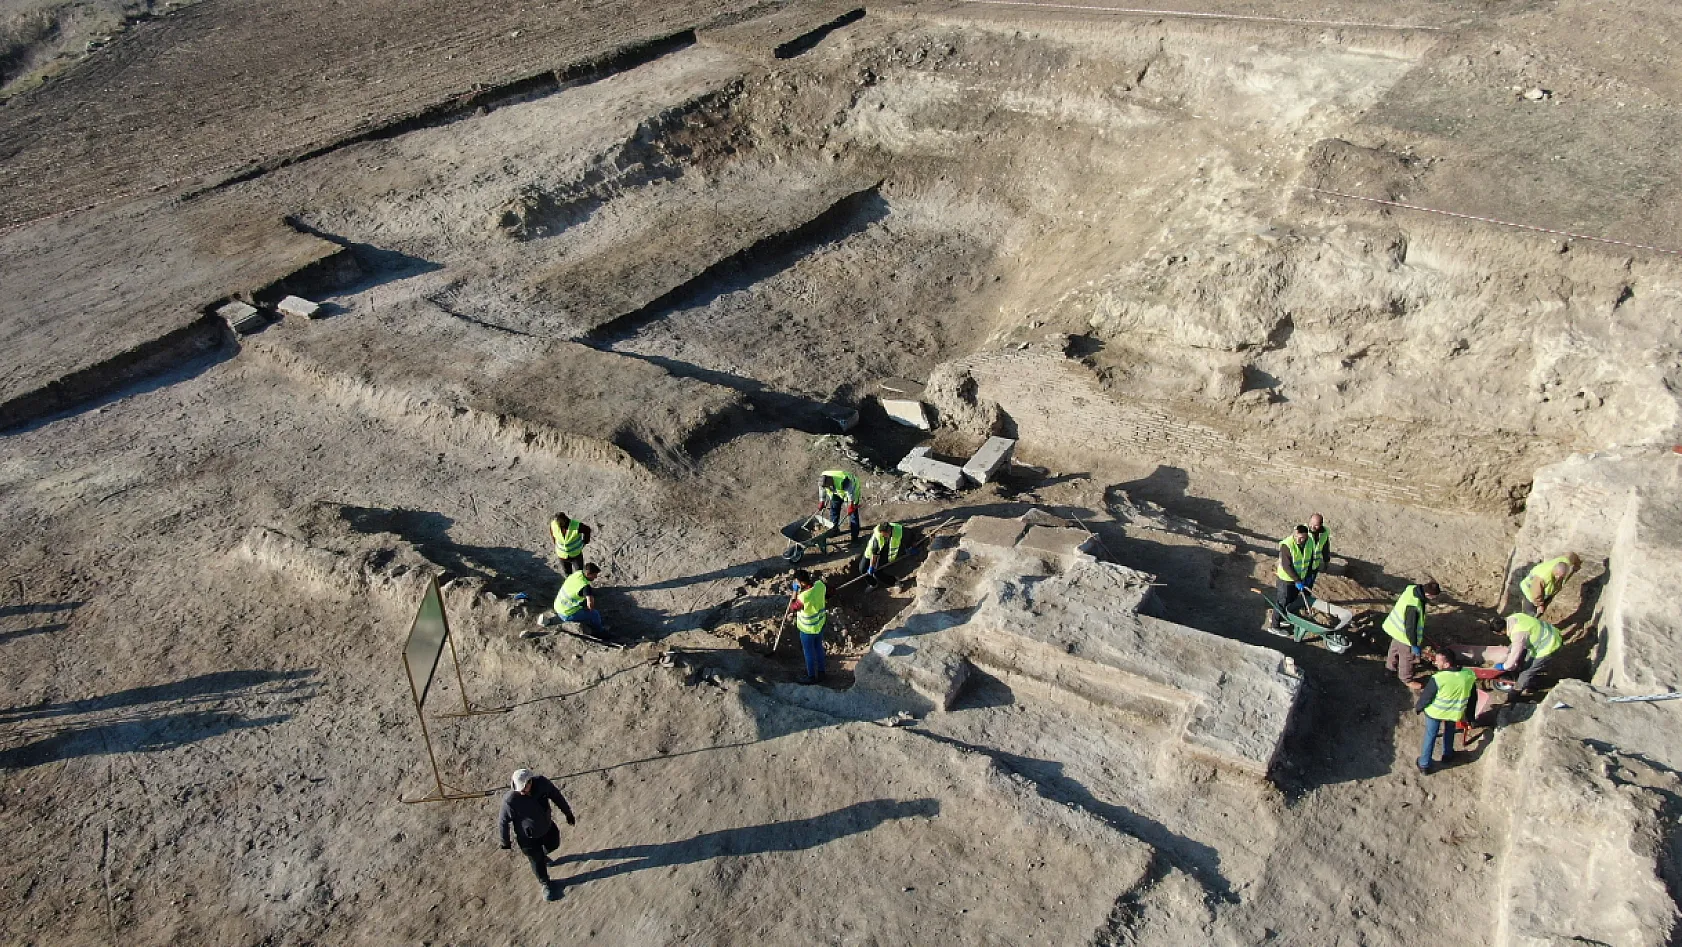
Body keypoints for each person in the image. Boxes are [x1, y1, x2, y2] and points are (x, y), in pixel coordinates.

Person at [498, 768, 576, 901]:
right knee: (537, 861)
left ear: (530, 781)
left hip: (547, 827)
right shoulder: (510, 800)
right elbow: (503, 822)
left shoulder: (542, 784)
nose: (522, 791)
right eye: (520, 788)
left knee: (554, 843)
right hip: (527, 839)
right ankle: (546, 884)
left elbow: (557, 796)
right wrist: (505, 841)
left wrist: (567, 813)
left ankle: (543, 854)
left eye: (524, 787)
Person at [1415, 650, 1476, 774]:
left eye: (1438, 661)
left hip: (1434, 713)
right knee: (1450, 731)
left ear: (1447, 664)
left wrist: (1419, 707)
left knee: (1430, 735)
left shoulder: (1438, 678)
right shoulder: (1469, 675)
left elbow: (1427, 697)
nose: (1435, 662)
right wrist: (1470, 716)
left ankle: (1424, 764)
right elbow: (1473, 698)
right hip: (1454, 713)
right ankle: (1448, 755)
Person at [1382, 580, 1441, 689]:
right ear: (1428, 594)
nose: (1434, 599)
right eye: (1434, 597)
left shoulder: (1411, 589)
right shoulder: (1413, 606)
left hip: (1395, 629)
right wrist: (1413, 644)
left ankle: (1390, 668)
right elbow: (1410, 628)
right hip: (1405, 635)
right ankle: (1406, 679)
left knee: (1394, 649)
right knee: (1407, 657)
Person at [1495, 611, 1563, 697]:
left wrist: (1504, 666)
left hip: (1549, 646)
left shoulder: (1517, 634)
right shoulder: (1515, 617)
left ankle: (1515, 694)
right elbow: (1521, 639)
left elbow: (1515, 652)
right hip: (1551, 633)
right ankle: (1531, 679)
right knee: (1525, 659)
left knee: (1526, 672)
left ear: (1501, 631)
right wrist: (1509, 650)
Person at [787, 571, 828, 684]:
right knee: (819, 648)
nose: (795, 583)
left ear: (802, 583)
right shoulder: (820, 585)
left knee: (808, 652)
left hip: (808, 629)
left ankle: (811, 677)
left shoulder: (803, 597)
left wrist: (795, 591)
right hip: (820, 624)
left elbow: (793, 607)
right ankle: (821, 673)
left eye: (797, 582)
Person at [1271, 524, 1315, 630]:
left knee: (1291, 601)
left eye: (1302, 538)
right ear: (1294, 535)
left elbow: (1309, 560)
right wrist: (1297, 580)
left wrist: (1308, 575)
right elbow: (1287, 566)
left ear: (1307, 536)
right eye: (1297, 537)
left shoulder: (1309, 542)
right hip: (1286, 580)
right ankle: (1274, 626)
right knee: (1282, 602)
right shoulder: (1287, 545)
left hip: (1300, 579)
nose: (1299, 540)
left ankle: (1284, 618)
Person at [1519, 552, 1582, 617]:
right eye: (1557, 575)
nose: (1559, 578)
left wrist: (1577, 564)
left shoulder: (1565, 562)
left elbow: (1572, 555)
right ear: (1555, 569)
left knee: (1543, 605)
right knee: (1530, 613)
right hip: (1531, 591)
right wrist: (1539, 605)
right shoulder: (1542, 578)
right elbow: (1536, 594)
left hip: (1545, 591)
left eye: (1562, 576)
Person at [553, 563, 606, 635]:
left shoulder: (577, 573)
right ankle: (600, 632)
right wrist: (589, 608)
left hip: (558, 605)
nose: (596, 577)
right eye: (594, 575)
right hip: (566, 613)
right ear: (588, 574)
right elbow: (590, 605)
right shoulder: (585, 587)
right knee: (594, 614)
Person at [818, 469, 862, 545]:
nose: (826, 488)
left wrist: (851, 505)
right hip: (836, 492)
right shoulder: (823, 478)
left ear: (830, 481)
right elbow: (822, 489)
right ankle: (834, 530)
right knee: (834, 510)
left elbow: (850, 492)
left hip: (853, 490)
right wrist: (822, 501)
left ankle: (855, 538)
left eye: (827, 486)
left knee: (853, 515)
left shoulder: (844, 480)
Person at [548, 513, 592, 577]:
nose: (558, 524)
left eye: (560, 523)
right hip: (562, 555)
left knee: (579, 573)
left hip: (576, 555)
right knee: (567, 574)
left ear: (565, 520)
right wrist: (555, 543)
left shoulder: (576, 526)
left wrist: (585, 542)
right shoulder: (554, 524)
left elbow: (587, 530)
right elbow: (552, 533)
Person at [1303, 513, 1331, 590]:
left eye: (1316, 525)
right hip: (1303, 566)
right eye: (1311, 523)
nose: (1312, 526)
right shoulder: (1302, 532)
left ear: (1321, 525)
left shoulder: (1324, 534)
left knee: (1309, 587)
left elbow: (1325, 548)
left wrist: (1326, 561)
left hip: (1314, 566)